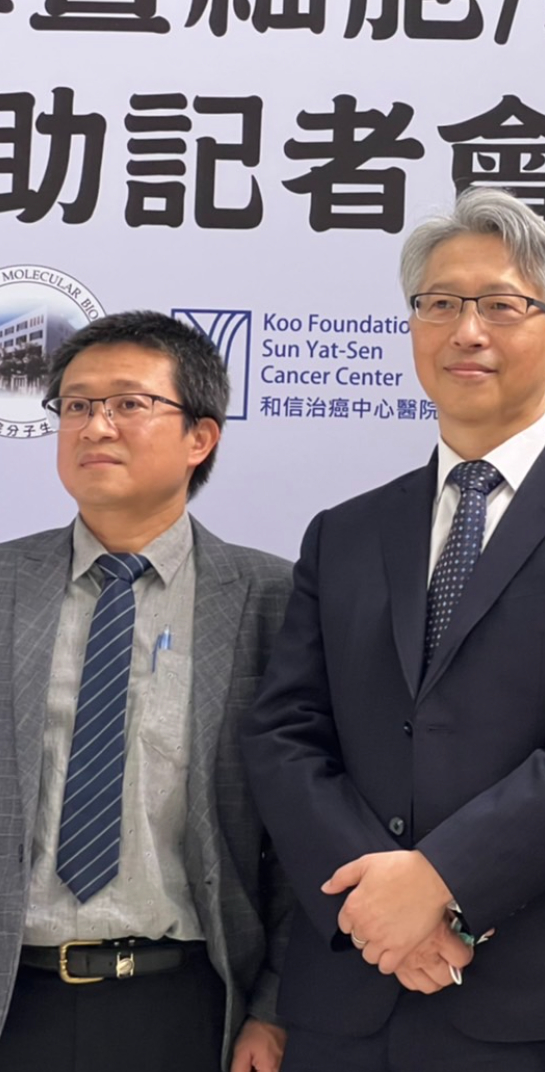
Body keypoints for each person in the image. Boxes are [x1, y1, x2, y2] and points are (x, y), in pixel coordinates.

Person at [243, 186, 545, 1072]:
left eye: (500, 305)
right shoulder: (346, 531)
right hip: (352, 983)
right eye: (440, 304)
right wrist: (377, 905)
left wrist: (442, 884)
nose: (467, 331)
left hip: (539, 990)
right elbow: (284, 733)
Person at [0, 310, 291, 1071]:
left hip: (188, 1004)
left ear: (201, 437)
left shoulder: (274, 600)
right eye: (76, 404)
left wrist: (275, 1007)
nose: (95, 426)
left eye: (129, 403)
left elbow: (305, 832)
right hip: (14, 1001)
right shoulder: (4, 585)